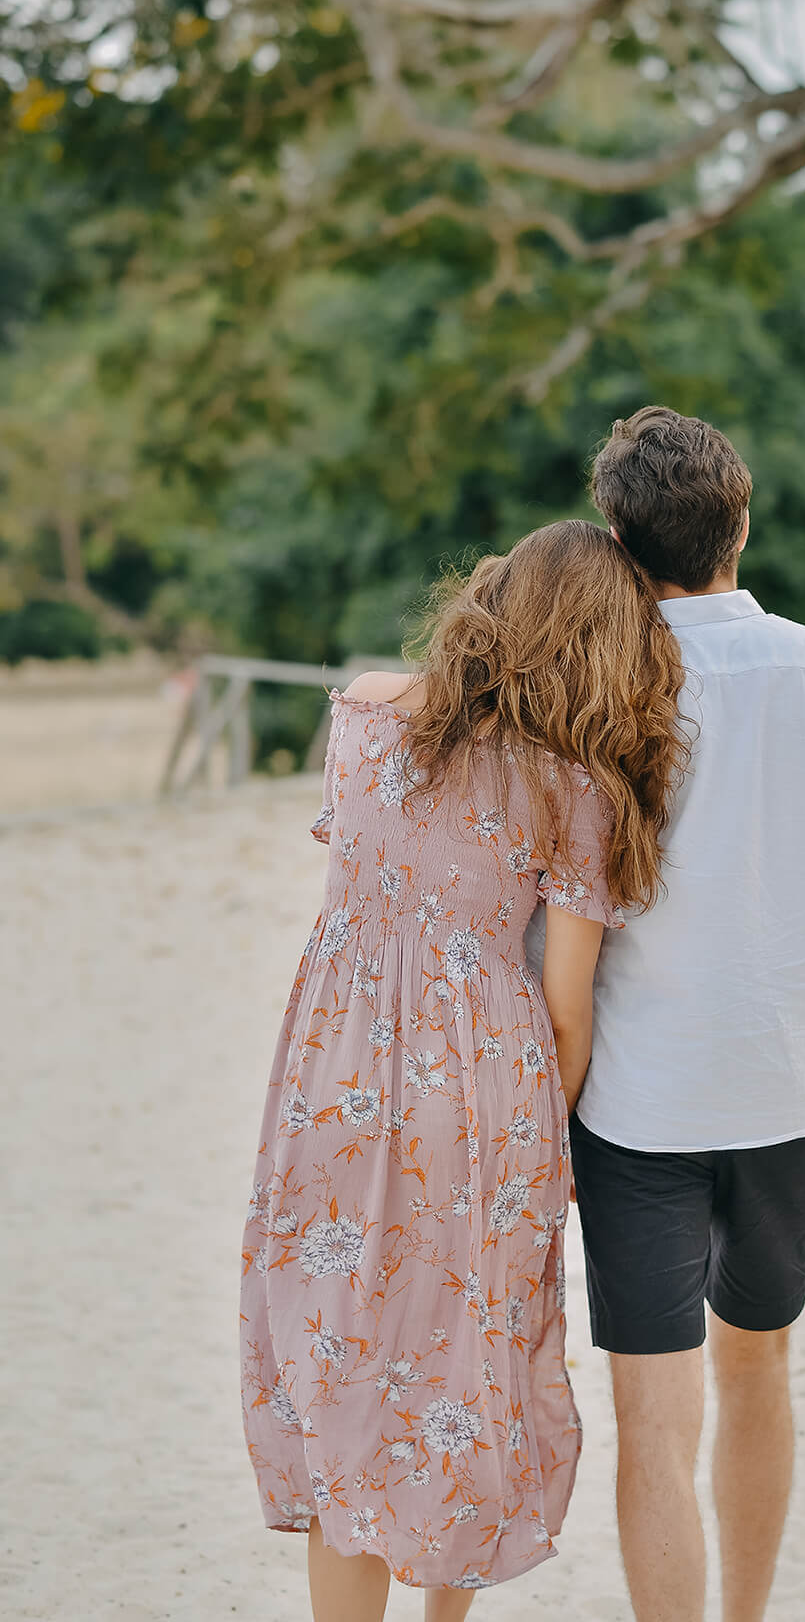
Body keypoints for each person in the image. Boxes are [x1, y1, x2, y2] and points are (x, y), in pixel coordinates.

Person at [239, 521, 687, 1618]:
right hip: (482, 1092)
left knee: (341, 1350)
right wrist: (552, 1126)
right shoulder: (575, 785)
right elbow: (567, 1007)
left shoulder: (359, 710)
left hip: (330, 1071)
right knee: (457, 1362)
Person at [574, 406, 805, 1622]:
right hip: (791, 1089)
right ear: (741, 521)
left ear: (619, 537)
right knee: (758, 1364)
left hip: (633, 1102)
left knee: (649, 1411)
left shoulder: (596, 691)